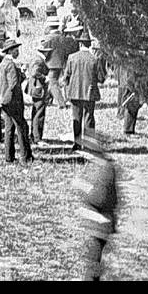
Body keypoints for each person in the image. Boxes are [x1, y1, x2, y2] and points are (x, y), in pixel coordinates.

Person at [73, 132, 119, 280]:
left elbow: (101, 198)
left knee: (93, 261)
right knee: (93, 259)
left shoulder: (104, 169)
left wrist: (84, 188)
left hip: (99, 224)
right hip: (100, 222)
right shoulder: (104, 166)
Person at [63, 31, 104, 150]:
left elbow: (66, 77)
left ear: (80, 44)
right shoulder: (95, 59)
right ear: (89, 45)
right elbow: (101, 78)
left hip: (74, 92)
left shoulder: (72, 57)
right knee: (89, 118)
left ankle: (77, 143)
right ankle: (89, 144)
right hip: (89, 92)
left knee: (76, 118)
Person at [0, 36, 33, 163]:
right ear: (11, 50)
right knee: (21, 127)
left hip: (3, 100)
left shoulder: (2, 64)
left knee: (9, 128)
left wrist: (20, 74)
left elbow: (6, 82)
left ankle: (9, 156)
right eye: (16, 49)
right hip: (13, 100)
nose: (18, 51)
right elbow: (13, 84)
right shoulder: (11, 65)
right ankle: (25, 156)